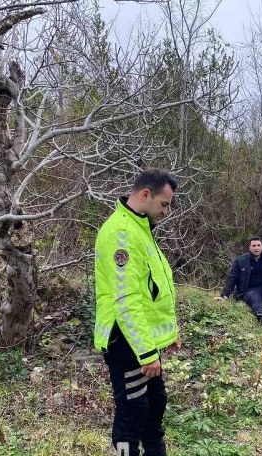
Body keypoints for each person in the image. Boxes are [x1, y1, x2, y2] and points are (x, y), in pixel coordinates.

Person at [94, 168, 181, 456]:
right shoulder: (121, 233)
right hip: (127, 342)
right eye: (164, 204)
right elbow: (127, 300)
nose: (166, 212)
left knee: (154, 410)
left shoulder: (139, 229)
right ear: (145, 194)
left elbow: (153, 291)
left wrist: (170, 334)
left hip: (144, 343)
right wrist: (146, 351)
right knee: (133, 414)